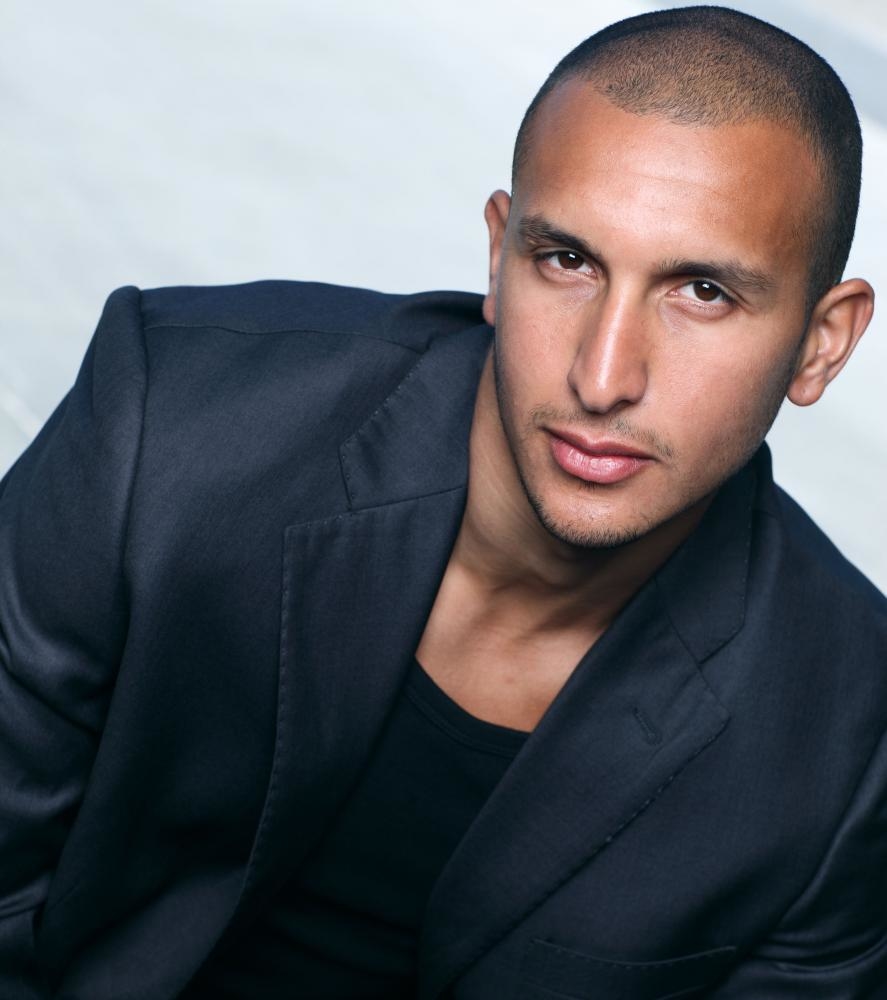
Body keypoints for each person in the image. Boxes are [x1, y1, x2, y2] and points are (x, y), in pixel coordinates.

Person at [1, 4, 885, 998]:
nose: (602, 377)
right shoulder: (171, 426)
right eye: (567, 261)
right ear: (498, 257)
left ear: (820, 344)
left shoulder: (849, 740)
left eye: (702, 293)